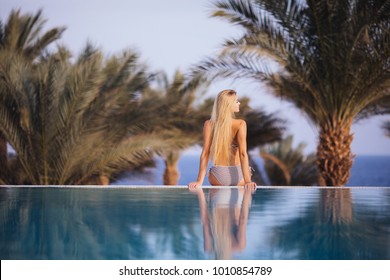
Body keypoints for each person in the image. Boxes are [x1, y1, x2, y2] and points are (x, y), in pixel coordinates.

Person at [188, 89, 256, 189]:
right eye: (236, 101)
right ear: (228, 104)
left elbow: (205, 153)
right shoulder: (240, 124)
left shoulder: (209, 124)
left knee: (219, 204)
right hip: (239, 175)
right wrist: (248, 181)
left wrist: (199, 181)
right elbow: (243, 154)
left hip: (217, 175)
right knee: (241, 203)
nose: (239, 103)